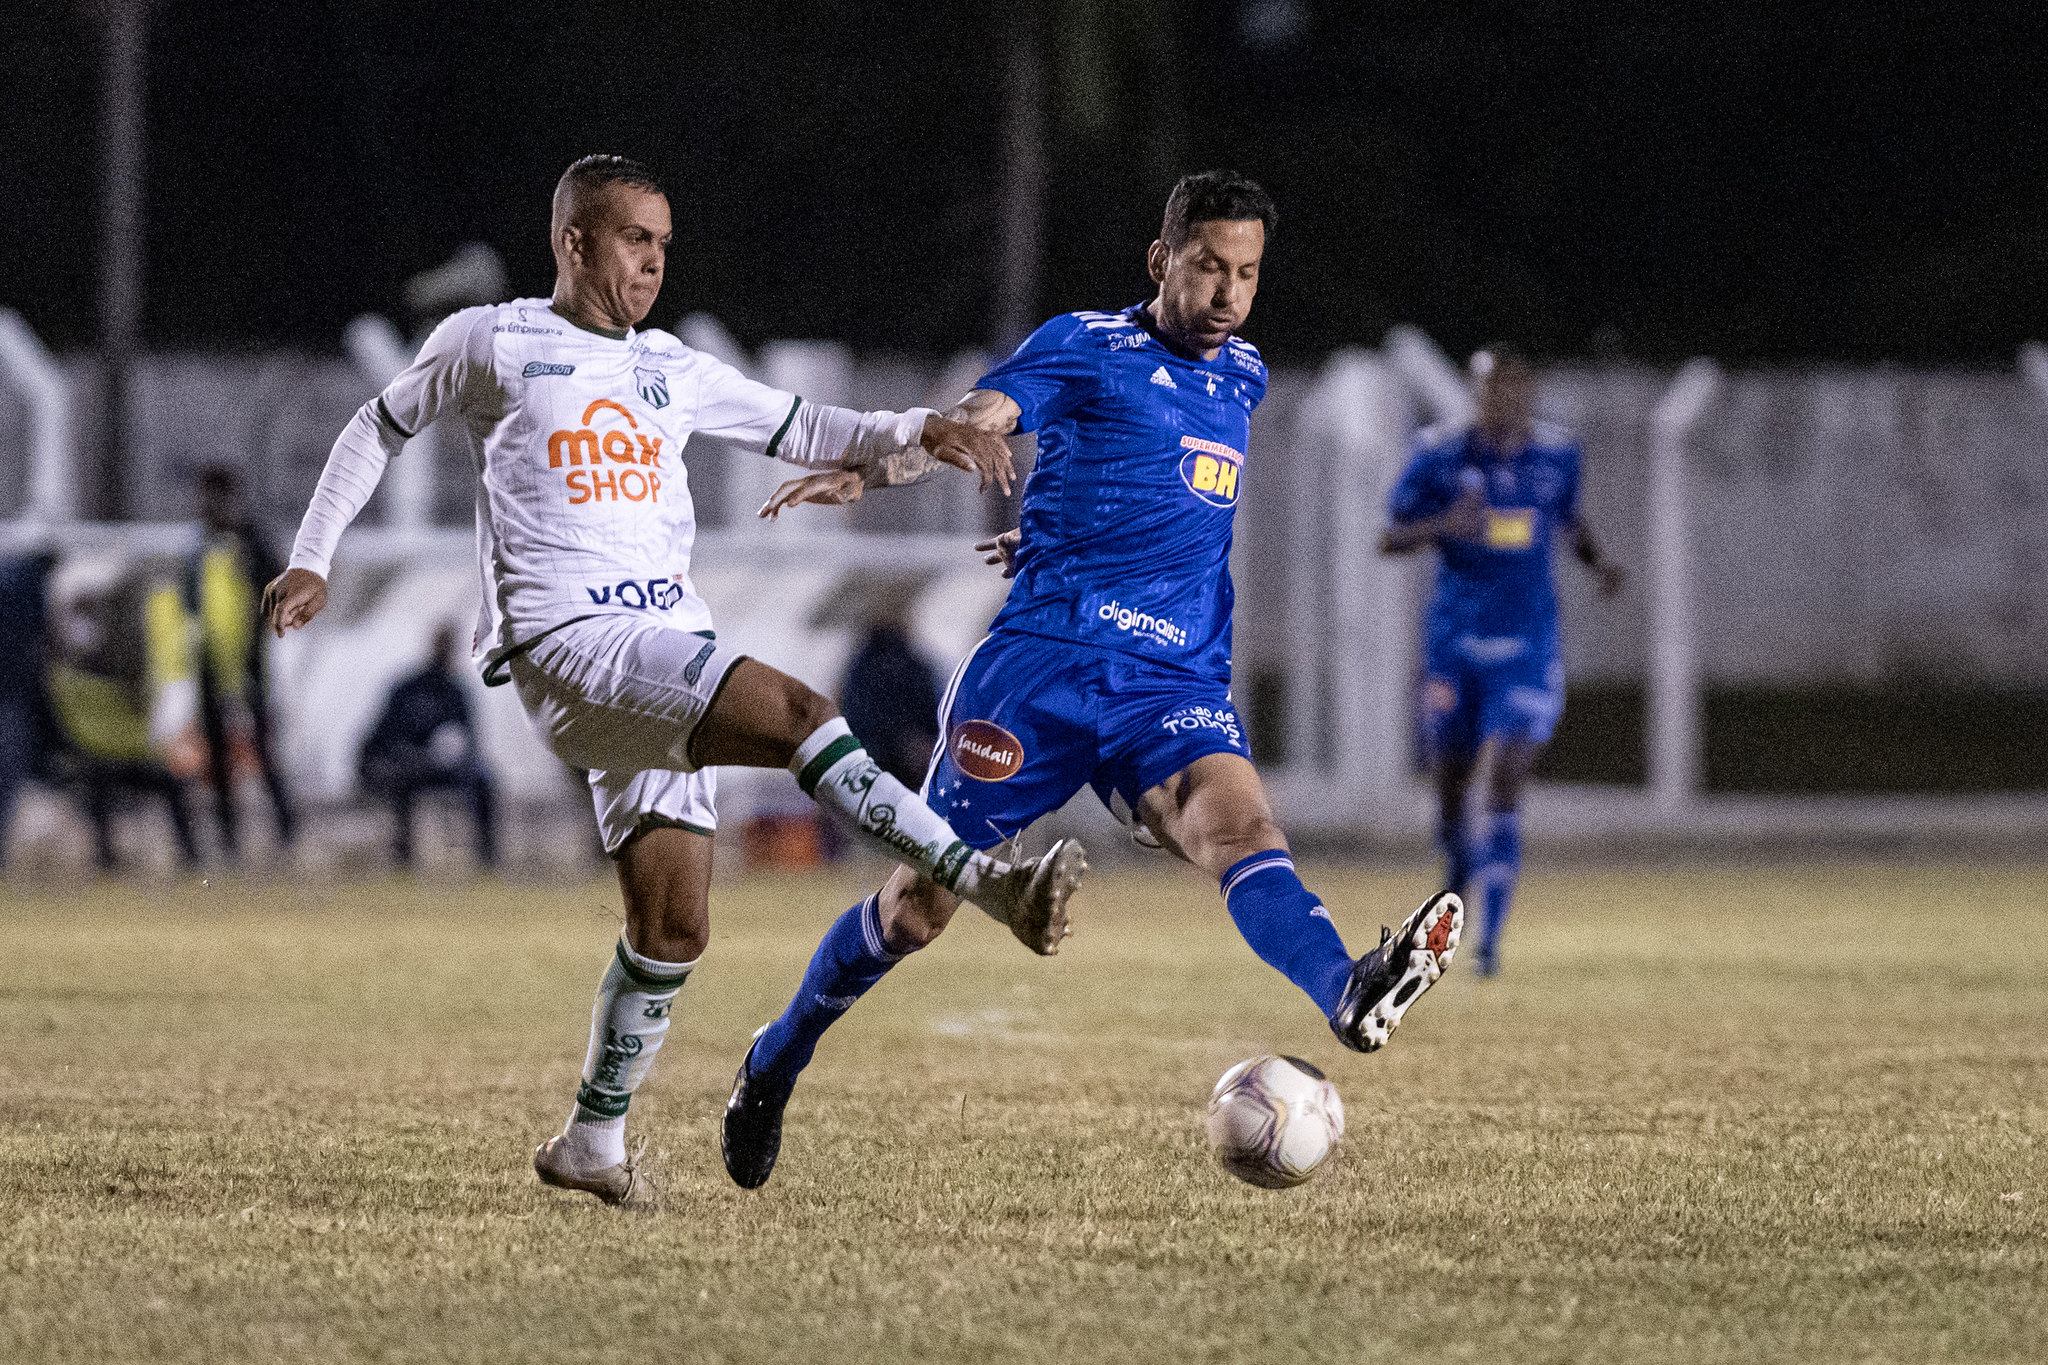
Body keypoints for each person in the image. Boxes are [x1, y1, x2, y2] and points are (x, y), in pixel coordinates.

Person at [262, 154, 1086, 1209]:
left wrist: (916, 430)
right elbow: (378, 425)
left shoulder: (669, 365)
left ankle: (590, 1144)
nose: (651, 263)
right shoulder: (494, 340)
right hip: (566, 644)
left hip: (658, 648)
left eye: (662, 244)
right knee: (801, 714)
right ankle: (986, 881)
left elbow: (803, 426)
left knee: (672, 929)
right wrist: (313, 556)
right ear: (573, 241)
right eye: (631, 240)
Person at [723, 170, 1464, 1189]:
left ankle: (1345, 987)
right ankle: (776, 1056)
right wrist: (872, 467)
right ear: (1161, 262)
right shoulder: (1084, 344)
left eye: (1246, 273)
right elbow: (977, 415)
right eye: (1208, 267)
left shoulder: (1241, 373)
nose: (1228, 294)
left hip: (1171, 678)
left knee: (1241, 832)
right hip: (1040, 674)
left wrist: (1060, 520)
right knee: (918, 911)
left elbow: (1155, 486)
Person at [1379, 347, 1625, 977]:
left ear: (1530, 392)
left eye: (1516, 388)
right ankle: (1458, 865)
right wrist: (1443, 524)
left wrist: (1599, 566)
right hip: (1455, 646)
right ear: (1474, 392)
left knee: (1507, 777)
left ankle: (1488, 942)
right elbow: (1388, 537)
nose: (1504, 400)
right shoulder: (1439, 454)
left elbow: (1569, 520)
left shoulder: (1557, 456)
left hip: (1527, 645)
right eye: (1491, 389)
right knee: (1454, 789)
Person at [187, 464, 297, 858]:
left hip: (249, 665)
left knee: (263, 751)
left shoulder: (250, 541)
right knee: (216, 757)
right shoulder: (199, 546)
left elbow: (280, 587)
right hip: (209, 667)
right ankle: (228, 842)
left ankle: (286, 834)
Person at [358, 624, 499, 870]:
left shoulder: (456, 693)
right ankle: (403, 858)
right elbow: (384, 737)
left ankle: (487, 858)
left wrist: (453, 756)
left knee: (483, 781)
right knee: (401, 784)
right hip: (409, 765)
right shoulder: (407, 689)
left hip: (444, 768)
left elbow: (468, 741)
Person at [0, 548, 59, 873]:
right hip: (13, 695)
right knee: (8, 774)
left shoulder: (12, 582)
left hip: (12, 694)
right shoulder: (30, 586)